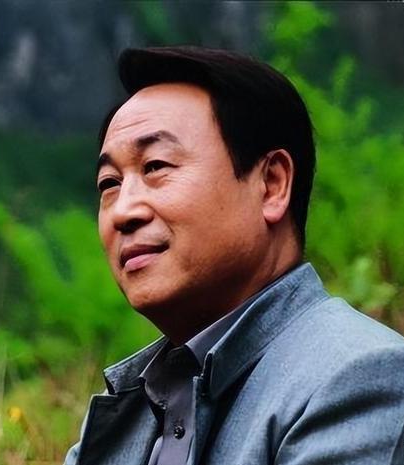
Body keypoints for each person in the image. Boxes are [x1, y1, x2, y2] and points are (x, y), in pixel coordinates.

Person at [64, 46, 404, 465]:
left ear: (272, 184)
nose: (123, 211)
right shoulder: (129, 407)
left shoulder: (356, 376)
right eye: (109, 183)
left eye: (155, 166)